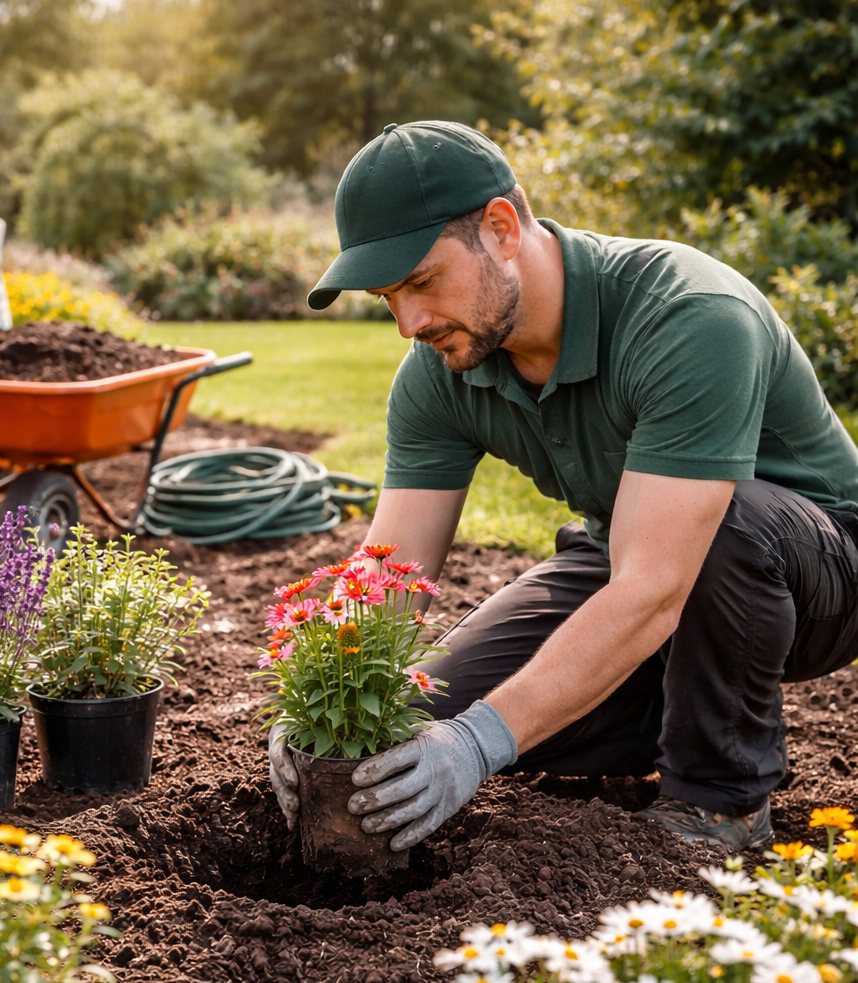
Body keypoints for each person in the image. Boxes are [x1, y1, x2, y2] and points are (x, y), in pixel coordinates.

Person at [269, 120, 858, 853]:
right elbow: (390, 570)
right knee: (424, 712)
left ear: (501, 228)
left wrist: (480, 743)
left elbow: (655, 586)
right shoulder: (439, 370)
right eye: (388, 297)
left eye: (421, 282)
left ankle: (718, 799)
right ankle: (678, 708)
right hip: (630, 559)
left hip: (816, 576)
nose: (409, 323)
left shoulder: (688, 315)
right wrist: (325, 706)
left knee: (718, 531)